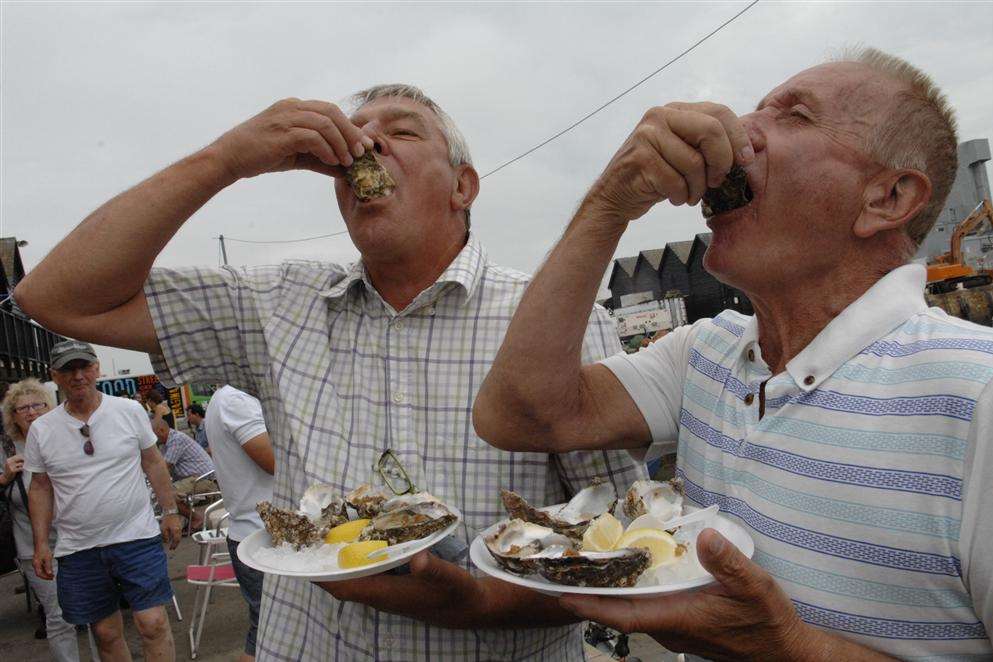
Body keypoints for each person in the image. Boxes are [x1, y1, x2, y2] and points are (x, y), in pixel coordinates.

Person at [13, 85, 647, 661]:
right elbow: (56, 298)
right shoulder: (279, 302)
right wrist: (226, 160)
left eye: (399, 131)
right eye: (356, 132)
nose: (365, 143)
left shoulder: (556, 321)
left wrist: (473, 602)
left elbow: (619, 553)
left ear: (464, 187)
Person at [472, 47, 992, 660]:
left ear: (888, 197)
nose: (738, 131)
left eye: (794, 115)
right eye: (754, 110)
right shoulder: (705, 354)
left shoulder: (976, 393)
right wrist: (611, 203)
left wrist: (791, 647)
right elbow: (519, 415)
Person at [23, 340, 181, 662]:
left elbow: (153, 462)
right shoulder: (42, 430)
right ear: (55, 375)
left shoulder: (129, 410)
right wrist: (41, 543)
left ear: (96, 369)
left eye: (84, 367)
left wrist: (170, 511)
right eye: (68, 369)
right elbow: (40, 487)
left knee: (152, 623)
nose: (78, 375)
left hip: (136, 536)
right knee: (106, 634)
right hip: (80, 548)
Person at [1, 378, 80, 662]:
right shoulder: (6, 450)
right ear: (12, 415)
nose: (31, 412)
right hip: (35, 546)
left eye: (38, 405)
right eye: (23, 408)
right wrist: (4, 477)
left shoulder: (67, 437)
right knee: (58, 616)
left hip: (79, 538)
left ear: (50, 407)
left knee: (95, 612)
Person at [204, 385, 274, 662]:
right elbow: (274, 462)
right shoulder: (236, 400)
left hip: (258, 532)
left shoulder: (231, 398)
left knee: (266, 631)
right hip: (260, 536)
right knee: (265, 635)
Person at [152, 417, 216, 530]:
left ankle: (197, 519)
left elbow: (165, 467)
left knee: (168, 494)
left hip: (203, 480)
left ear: (161, 430)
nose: (152, 438)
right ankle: (188, 520)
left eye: (153, 434)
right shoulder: (166, 444)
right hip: (194, 478)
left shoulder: (176, 439)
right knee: (167, 491)